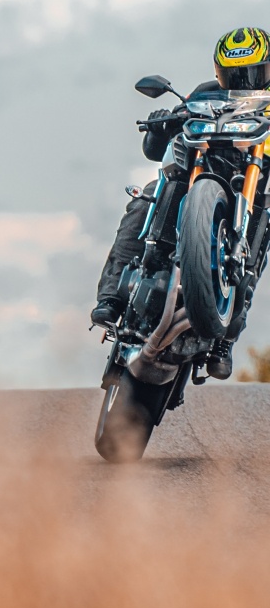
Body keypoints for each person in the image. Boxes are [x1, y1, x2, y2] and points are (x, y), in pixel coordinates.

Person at [90, 27, 270, 380]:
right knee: (145, 197)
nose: (241, 81)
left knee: (265, 229)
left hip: (255, 188)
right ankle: (111, 296)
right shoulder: (205, 94)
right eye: (234, 74)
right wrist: (160, 125)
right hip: (198, 180)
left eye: (250, 73)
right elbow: (155, 149)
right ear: (220, 70)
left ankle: (226, 335)